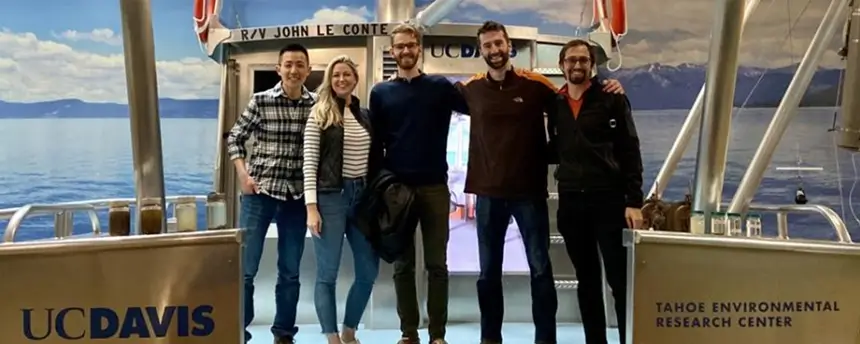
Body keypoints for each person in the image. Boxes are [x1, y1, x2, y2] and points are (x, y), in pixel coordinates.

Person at [456, 21, 625, 344]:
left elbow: (575, 95)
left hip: (529, 193)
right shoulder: (471, 89)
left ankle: (545, 339)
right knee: (488, 275)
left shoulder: (537, 86)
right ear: (481, 51)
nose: (494, 50)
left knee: (540, 271)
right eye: (488, 45)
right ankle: (490, 338)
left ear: (509, 46)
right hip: (488, 194)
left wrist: (608, 84)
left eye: (498, 43)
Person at [368, 23, 468, 344]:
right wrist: (379, 188)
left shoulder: (439, 87)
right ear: (392, 51)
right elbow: (375, 144)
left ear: (419, 48)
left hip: (435, 188)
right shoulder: (380, 93)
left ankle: (437, 336)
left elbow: (478, 106)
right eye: (399, 46)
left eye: (411, 45)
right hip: (397, 191)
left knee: (437, 264)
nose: (406, 51)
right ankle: (408, 333)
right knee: (402, 265)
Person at [546, 38, 643, 344]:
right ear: (561, 65)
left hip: (609, 201)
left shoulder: (612, 97)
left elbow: (629, 149)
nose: (577, 65)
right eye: (571, 60)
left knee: (619, 280)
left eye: (583, 60)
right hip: (572, 202)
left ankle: (629, 339)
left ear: (592, 65)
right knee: (586, 281)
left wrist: (633, 200)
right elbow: (554, 148)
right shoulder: (555, 103)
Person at [226, 43, 315, 344]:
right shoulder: (261, 101)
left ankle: (284, 334)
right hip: (259, 195)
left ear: (308, 70)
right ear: (279, 68)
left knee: (290, 272)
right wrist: (243, 175)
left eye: (299, 64)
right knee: (246, 270)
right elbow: (235, 138)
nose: (294, 70)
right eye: (288, 64)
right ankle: (240, 331)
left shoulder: (316, 105)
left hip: (297, 198)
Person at [303, 55, 380, 344]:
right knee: (327, 274)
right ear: (329, 80)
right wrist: (312, 207)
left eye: (347, 74)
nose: (341, 80)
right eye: (336, 75)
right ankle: (332, 338)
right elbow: (309, 162)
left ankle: (349, 331)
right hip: (329, 200)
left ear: (355, 79)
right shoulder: (319, 113)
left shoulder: (364, 115)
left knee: (368, 270)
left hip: (361, 199)